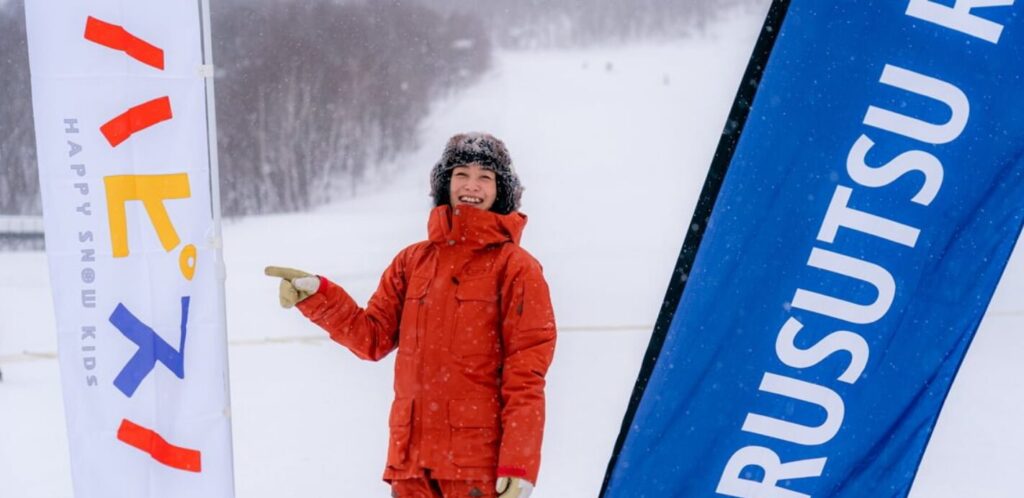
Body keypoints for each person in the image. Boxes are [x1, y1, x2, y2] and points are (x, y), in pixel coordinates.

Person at [266, 132, 556, 498]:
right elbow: (371, 339)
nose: (472, 185)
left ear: (503, 190)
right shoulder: (412, 261)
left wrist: (519, 463)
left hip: (477, 471)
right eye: (461, 174)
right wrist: (319, 297)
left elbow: (526, 376)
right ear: (444, 183)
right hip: (411, 466)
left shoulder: (516, 268)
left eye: (486, 177)